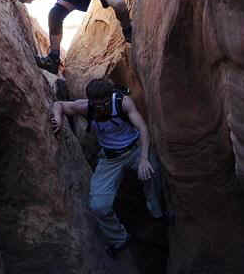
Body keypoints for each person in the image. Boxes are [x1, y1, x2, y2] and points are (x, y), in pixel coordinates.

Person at [50, 77, 163, 258]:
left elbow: (142, 128)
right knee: (98, 206)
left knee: (153, 171)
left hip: (135, 149)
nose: (100, 108)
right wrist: (57, 117)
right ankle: (120, 239)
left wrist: (143, 159)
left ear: (110, 96)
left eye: (103, 104)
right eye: (96, 105)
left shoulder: (122, 103)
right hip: (110, 159)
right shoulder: (86, 107)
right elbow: (59, 105)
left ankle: (157, 212)